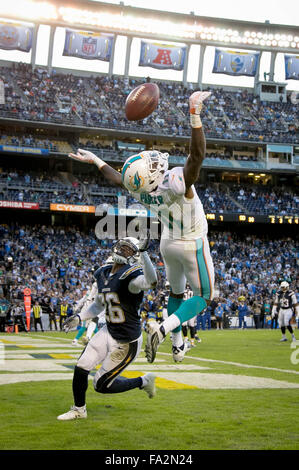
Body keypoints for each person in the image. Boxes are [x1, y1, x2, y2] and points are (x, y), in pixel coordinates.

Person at [69, 90, 214, 364]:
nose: (155, 161)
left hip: (168, 243)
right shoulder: (175, 183)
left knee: (175, 291)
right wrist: (195, 115)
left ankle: (178, 344)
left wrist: (96, 160)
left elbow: (116, 178)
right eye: (151, 164)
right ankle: (164, 327)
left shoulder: (141, 190)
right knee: (204, 295)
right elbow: (197, 156)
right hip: (192, 241)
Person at [57, 236, 158, 421]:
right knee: (81, 366)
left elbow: (152, 282)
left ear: (134, 256)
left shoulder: (132, 277)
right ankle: (79, 409)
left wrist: (145, 254)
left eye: (129, 249)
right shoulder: (103, 273)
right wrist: (80, 317)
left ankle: (144, 381)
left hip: (127, 341)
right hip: (109, 330)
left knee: (101, 385)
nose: (123, 250)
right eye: (122, 246)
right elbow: (98, 305)